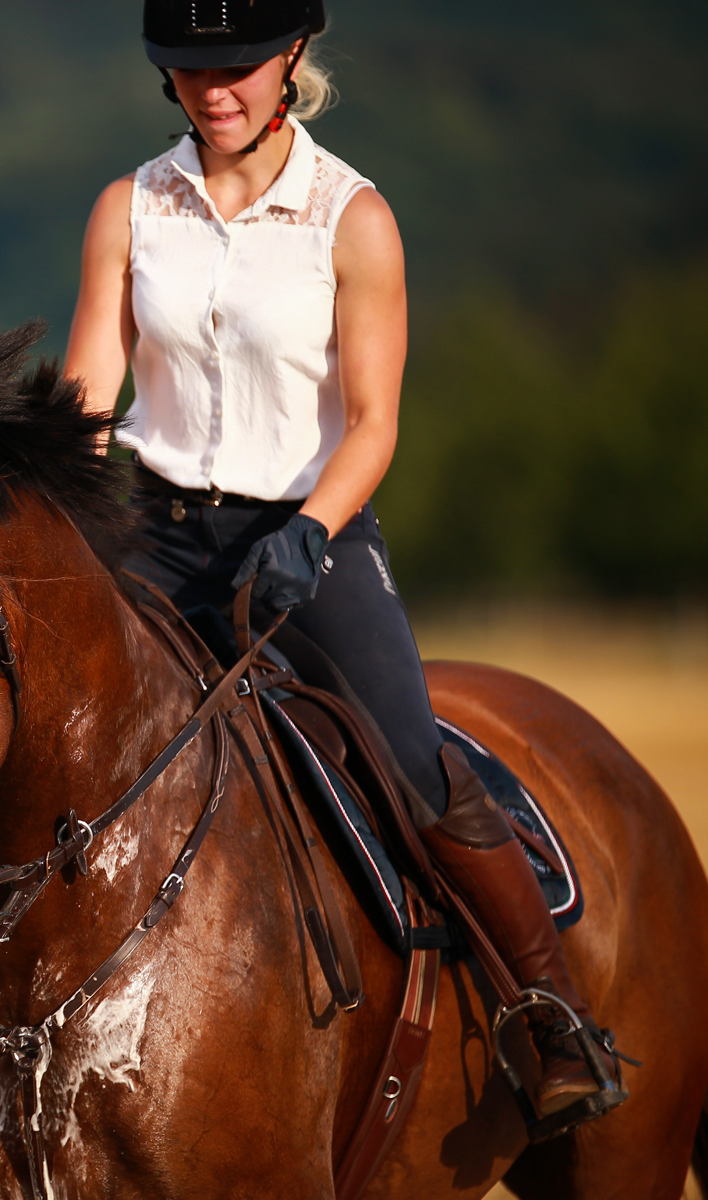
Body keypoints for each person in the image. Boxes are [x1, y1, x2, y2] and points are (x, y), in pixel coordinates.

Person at [62, 0, 624, 1132]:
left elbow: (372, 423)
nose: (213, 91)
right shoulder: (130, 207)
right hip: (151, 527)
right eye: (187, 71)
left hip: (305, 534)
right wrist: (65, 513)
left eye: (236, 68)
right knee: (23, 712)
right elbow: (88, 388)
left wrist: (309, 529)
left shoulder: (351, 219)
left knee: (411, 764)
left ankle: (548, 1011)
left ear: (292, 61)